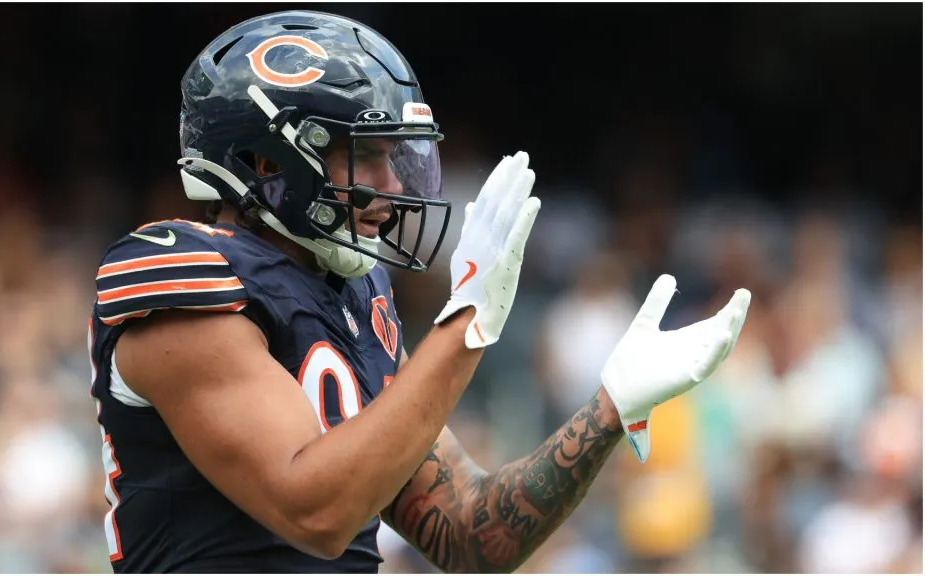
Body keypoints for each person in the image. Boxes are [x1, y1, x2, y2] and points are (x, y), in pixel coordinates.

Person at [87, 9, 751, 573]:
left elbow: (468, 533)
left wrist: (608, 408)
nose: (394, 185)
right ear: (267, 163)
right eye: (365, 153)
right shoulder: (181, 272)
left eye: (397, 154)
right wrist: (467, 323)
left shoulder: (353, 292)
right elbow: (313, 512)